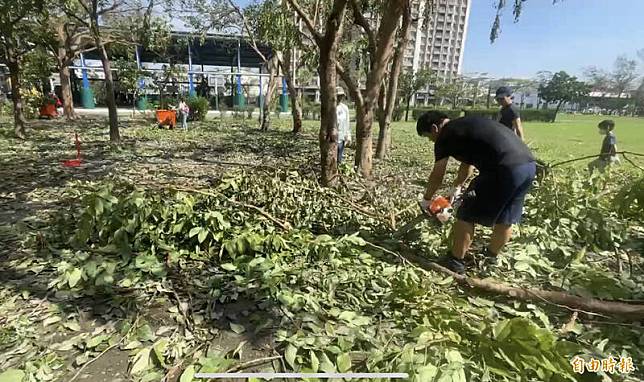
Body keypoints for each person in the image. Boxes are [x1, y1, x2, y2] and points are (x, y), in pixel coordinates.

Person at [417, 111, 537, 274]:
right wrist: (457, 187)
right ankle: (490, 257)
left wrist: (426, 199)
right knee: (506, 217)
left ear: (434, 128)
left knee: (466, 214)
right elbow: (467, 164)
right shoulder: (467, 125)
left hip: (501, 169)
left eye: (428, 137)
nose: (431, 141)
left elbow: (438, 174)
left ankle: (455, 261)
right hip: (528, 166)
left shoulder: (445, 136)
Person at [336, 93, 351, 164]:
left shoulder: (344, 108)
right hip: (331, 137)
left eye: (340, 96)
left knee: (339, 157)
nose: (339, 98)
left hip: (341, 136)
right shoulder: (330, 107)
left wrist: (348, 136)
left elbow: (347, 123)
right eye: (337, 96)